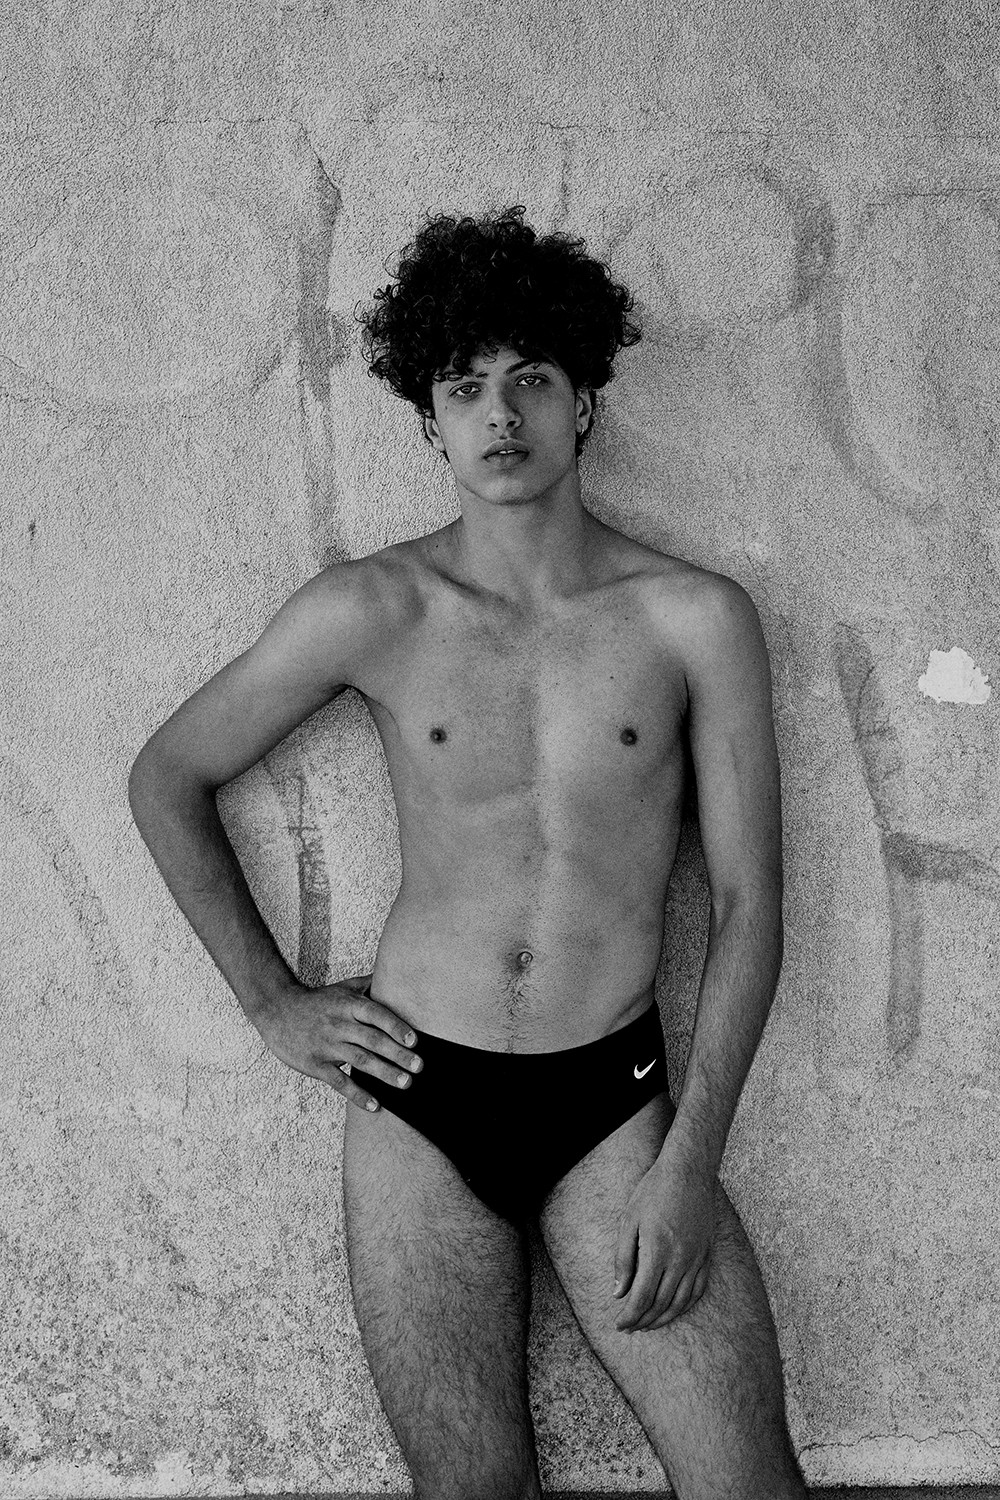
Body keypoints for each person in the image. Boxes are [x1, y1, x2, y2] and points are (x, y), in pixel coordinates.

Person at [128, 205, 807, 1500]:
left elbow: (748, 900)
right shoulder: (373, 608)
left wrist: (693, 1161)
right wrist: (271, 1001)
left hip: (615, 1100)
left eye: (531, 379)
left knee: (749, 1484)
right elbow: (168, 775)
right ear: (429, 420)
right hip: (418, 1102)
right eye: (464, 386)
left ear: (583, 402)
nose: (500, 414)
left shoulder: (693, 620)